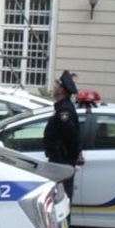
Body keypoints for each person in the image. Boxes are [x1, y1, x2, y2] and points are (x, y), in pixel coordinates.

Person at [43, 70, 83, 220]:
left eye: (57, 84)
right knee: (61, 199)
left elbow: (71, 136)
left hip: (62, 162)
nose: (54, 86)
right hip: (61, 160)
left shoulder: (64, 111)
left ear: (61, 90)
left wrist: (74, 155)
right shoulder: (62, 108)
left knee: (62, 200)